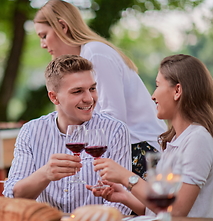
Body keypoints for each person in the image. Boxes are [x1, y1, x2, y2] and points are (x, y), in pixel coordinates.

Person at [33, 0, 167, 179]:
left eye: (43, 35)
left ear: (62, 26)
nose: (42, 44)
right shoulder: (86, 56)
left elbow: (114, 118)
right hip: (126, 150)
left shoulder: (95, 53)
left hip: (140, 151)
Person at [90, 54, 213, 218]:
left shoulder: (198, 140)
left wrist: (127, 177)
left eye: (157, 85)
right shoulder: (176, 140)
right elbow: (159, 210)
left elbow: (176, 210)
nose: (153, 96)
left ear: (177, 90)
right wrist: (123, 196)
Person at [3, 55, 132, 214]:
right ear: (54, 97)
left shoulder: (115, 130)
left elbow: (124, 201)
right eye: (77, 91)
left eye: (92, 88)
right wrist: (45, 174)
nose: (89, 99)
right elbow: (13, 197)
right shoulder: (30, 132)